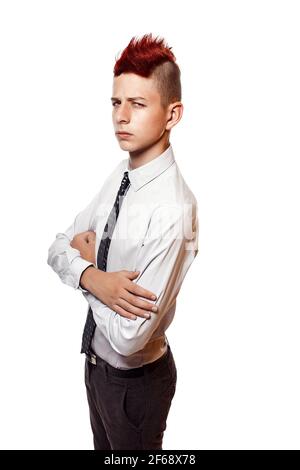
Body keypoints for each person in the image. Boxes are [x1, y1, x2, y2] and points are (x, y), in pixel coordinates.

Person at [47, 33, 199, 450]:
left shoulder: (174, 210)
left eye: (138, 104)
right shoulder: (121, 174)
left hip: (136, 386)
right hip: (95, 367)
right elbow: (58, 247)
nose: (121, 117)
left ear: (172, 115)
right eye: (117, 103)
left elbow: (129, 338)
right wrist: (95, 278)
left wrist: (85, 273)